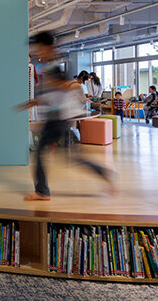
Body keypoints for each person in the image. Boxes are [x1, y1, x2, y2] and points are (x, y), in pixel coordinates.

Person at [21, 32, 114, 201]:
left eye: (39, 48)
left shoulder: (54, 66)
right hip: (56, 119)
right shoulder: (52, 65)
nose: (37, 52)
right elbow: (56, 92)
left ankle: (42, 192)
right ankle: (103, 173)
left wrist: (43, 97)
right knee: (68, 157)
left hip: (57, 120)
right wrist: (37, 101)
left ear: (47, 47)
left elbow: (62, 88)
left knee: (40, 153)